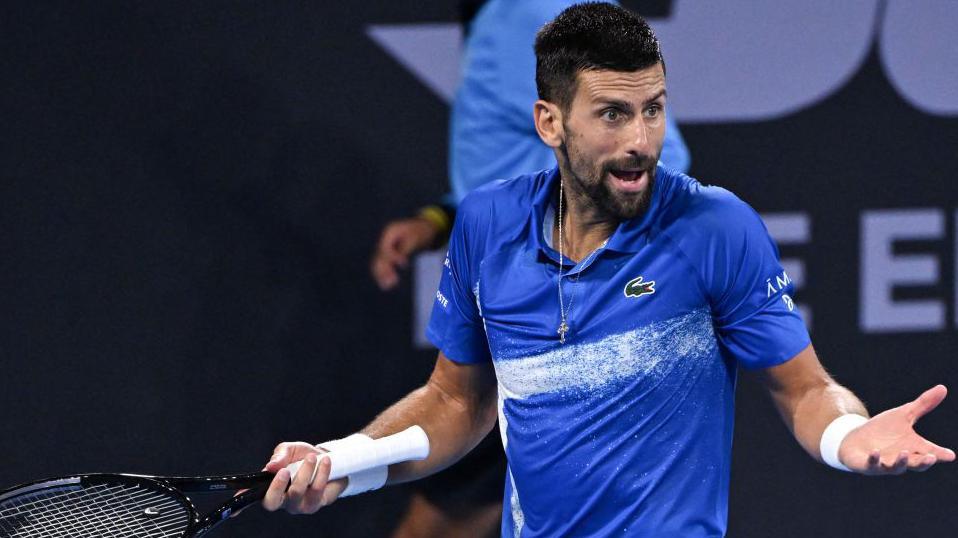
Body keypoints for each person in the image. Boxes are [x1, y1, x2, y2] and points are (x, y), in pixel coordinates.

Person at [268, 3, 955, 536]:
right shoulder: (484, 225)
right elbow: (456, 403)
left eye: (653, 111)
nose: (640, 142)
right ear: (550, 122)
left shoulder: (715, 228)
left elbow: (805, 391)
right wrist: (342, 463)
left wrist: (846, 436)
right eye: (612, 115)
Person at [370, 2, 690, 537]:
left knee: (455, 516)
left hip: (562, 301)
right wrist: (440, 218)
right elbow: (510, 163)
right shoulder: (512, 18)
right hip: (541, 294)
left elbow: (655, 165)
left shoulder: (532, 14)